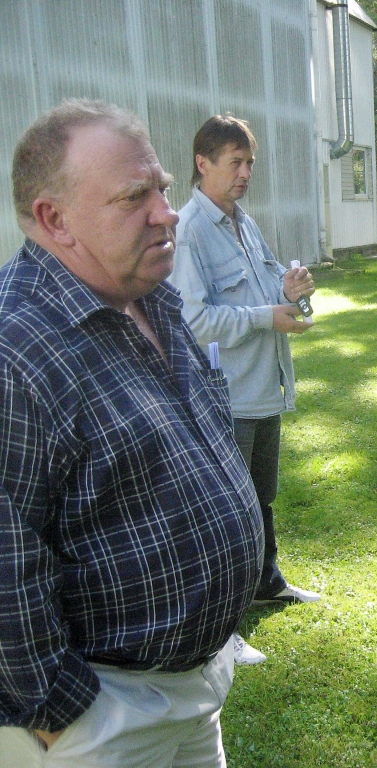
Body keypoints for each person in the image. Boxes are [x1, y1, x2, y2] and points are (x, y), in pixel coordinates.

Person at [0, 99, 264, 767]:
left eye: (162, 190)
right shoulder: (15, 350)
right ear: (54, 221)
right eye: (132, 197)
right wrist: (62, 717)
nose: (165, 213)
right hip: (101, 721)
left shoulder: (148, 291)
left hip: (193, 690)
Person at [169, 116, 320, 665]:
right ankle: (222, 627)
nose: (245, 172)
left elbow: (268, 288)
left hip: (263, 389)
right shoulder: (188, 230)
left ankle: (266, 581)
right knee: (227, 510)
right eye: (235, 162)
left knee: (260, 498)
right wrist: (265, 316)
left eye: (249, 162)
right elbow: (193, 320)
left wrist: (291, 287)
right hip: (224, 395)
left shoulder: (242, 222)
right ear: (202, 164)